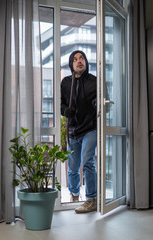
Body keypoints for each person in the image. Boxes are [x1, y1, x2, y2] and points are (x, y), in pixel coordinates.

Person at [61, 50, 97, 213]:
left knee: (87, 161)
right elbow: (60, 104)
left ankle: (91, 199)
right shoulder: (66, 82)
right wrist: (64, 111)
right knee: (73, 167)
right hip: (72, 130)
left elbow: (104, 103)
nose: (79, 61)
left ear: (86, 62)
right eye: (75, 59)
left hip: (90, 128)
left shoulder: (94, 81)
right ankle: (74, 194)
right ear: (71, 64)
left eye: (81, 58)